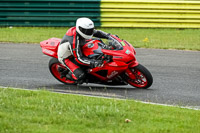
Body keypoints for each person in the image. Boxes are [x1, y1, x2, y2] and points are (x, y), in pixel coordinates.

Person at [57, 17, 110, 82]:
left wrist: (109, 36)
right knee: (81, 75)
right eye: (86, 31)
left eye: (90, 30)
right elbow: (79, 58)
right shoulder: (73, 41)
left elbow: (97, 33)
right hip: (67, 57)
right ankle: (70, 75)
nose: (89, 32)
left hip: (80, 46)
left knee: (98, 41)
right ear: (80, 29)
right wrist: (93, 63)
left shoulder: (83, 31)